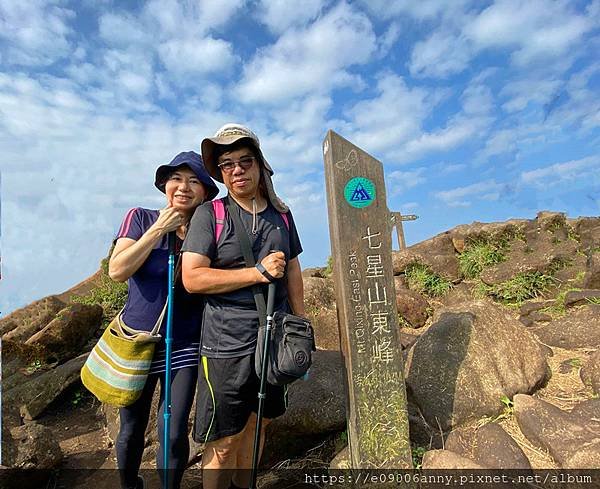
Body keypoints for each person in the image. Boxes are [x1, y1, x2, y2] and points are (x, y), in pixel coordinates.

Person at [181, 124, 305, 489]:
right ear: (219, 173)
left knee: (258, 423)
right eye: (226, 164)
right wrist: (256, 273)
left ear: (260, 164)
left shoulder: (282, 214)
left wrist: (301, 321)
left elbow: (293, 267)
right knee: (224, 438)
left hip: (274, 339)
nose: (237, 170)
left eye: (245, 161)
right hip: (226, 343)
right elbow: (193, 278)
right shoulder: (210, 214)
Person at [108, 151, 219, 489]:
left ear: (205, 192)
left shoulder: (208, 233)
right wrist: (159, 229)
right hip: (137, 342)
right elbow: (117, 270)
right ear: (165, 185)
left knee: (172, 431)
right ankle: (130, 484)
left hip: (184, 344)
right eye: (176, 179)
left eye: (194, 180)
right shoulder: (140, 217)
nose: (183, 187)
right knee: (130, 429)